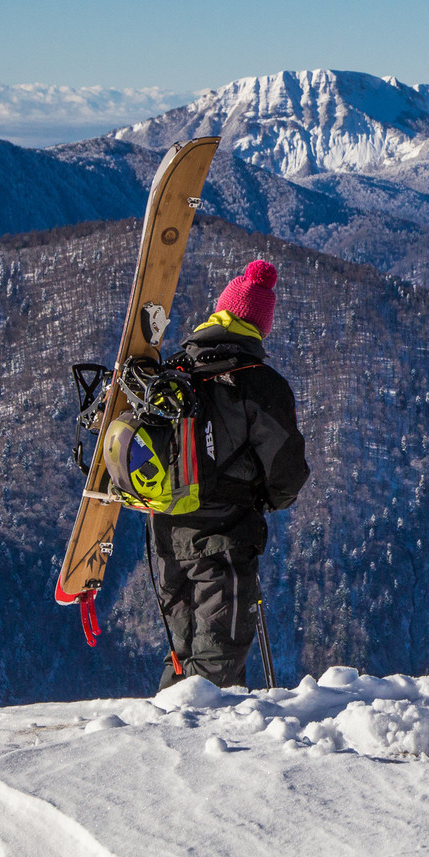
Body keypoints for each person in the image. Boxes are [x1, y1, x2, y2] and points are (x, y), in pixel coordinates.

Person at [150, 258, 309, 690]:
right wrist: (267, 499)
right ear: (260, 326)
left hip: (165, 537)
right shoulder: (258, 383)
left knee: (183, 656)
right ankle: (195, 752)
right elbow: (287, 472)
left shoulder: (175, 371)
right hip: (224, 540)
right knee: (216, 666)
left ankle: (158, 740)